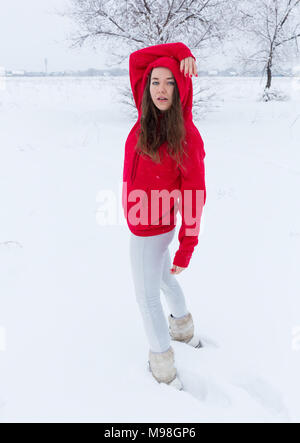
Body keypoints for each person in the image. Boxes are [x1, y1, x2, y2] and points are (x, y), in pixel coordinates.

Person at [122, 42, 207, 390]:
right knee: (162, 278)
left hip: (150, 230)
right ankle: (183, 328)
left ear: (182, 87)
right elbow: (136, 59)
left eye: (170, 82)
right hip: (147, 223)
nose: (161, 89)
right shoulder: (145, 120)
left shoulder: (185, 135)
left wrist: (188, 245)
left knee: (146, 297)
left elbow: (194, 195)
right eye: (155, 81)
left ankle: (163, 368)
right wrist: (180, 49)